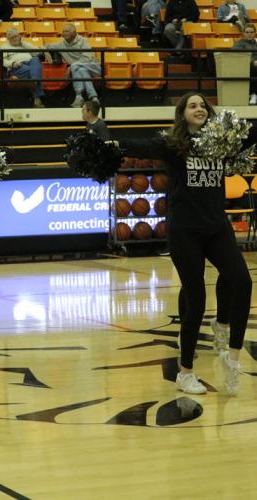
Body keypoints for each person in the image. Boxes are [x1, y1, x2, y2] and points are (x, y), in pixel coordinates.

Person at [115, 92, 252, 396]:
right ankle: (185, 373)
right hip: (184, 232)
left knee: (242, 282)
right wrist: (110, 143)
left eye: (203, 105)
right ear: (182, 114)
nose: (199, 108)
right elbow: (141, 145)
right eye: (192, 105)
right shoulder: (174, 145)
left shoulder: (221, 141)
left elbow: (251, 133)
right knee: (196, 298)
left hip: (217, 227)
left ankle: (232, 359)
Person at [44, 23, 101, 108]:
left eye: (67, 31)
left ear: (74, 32)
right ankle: (93, 97)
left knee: (75, 66)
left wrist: (71, 67)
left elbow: (88, 58)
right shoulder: (61, 45)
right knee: (81, 70)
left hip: (94, 67)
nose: (64, 33)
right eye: (63, 31)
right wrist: (46, 52)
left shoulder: (83, 41)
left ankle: (79, 96)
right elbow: (45, 46)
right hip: (79, 70)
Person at [1, 27, 45, 108]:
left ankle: (34, 82)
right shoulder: (4, 47)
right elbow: (2, 61)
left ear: (19, 36)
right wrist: (12, 63)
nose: (15, 39)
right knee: (33, 71)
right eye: (12, 38)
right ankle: (37, 96)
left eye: (16, 36)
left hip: (30, 63)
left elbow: (37, 52)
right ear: (8, 39)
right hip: (17, 67)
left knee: (35, 59)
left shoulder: (24, 44)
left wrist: (23, 43)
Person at [232, 22, 257, 104]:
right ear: (243, 33)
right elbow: (237, 57)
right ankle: (253, 94)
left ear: (255, 33)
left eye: (251, 32)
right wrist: (253, 61)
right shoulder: (239, 44)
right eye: (247, 32)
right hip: (244, 66)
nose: (249, 34)